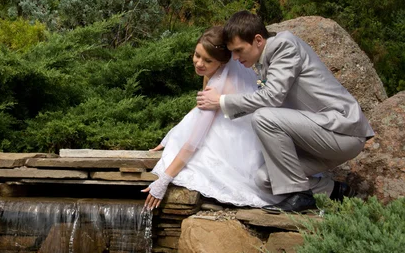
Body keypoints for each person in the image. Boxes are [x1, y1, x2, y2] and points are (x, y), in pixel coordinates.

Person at [196, 11, 374, 213]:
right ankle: (335, 191)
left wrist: (221, 101)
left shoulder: (284, 45)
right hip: (317, 141)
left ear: (258, 40)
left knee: (264, 117)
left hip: (342, 132)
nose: (235, 58)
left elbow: (272, 98)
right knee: (264, 179)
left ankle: (300, 196)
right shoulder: (262, 61)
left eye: (238, 50)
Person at [142, 26, 286, 211]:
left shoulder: (217, 87)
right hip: (230, 123)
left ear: (222, 62)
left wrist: (164, 180)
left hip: (236, 141)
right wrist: (174, 133)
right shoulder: (214, 73)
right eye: (197, 55)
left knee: (195, 163)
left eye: (207, 60)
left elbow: (193, 143)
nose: (199, 63)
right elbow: (198, 110)